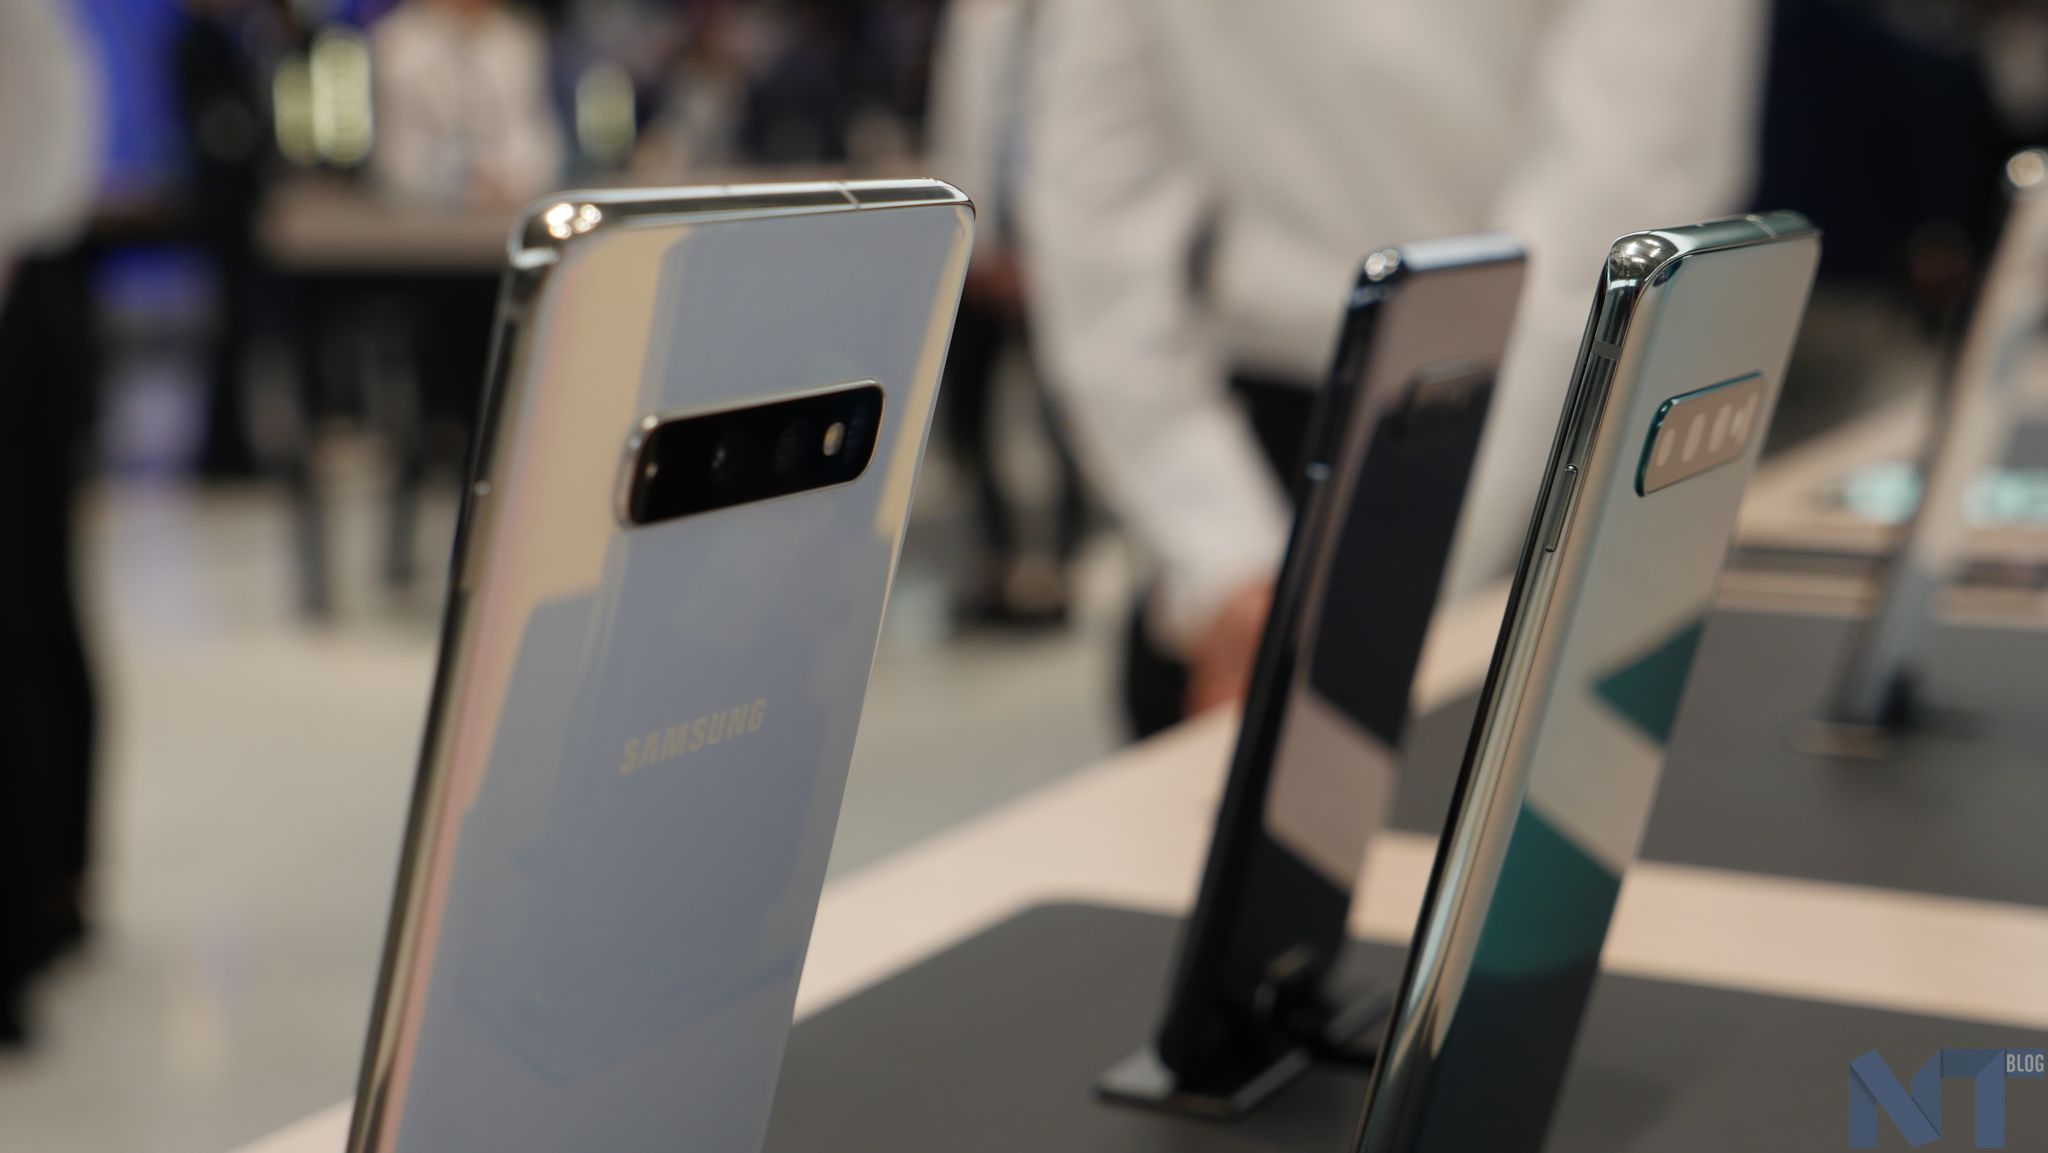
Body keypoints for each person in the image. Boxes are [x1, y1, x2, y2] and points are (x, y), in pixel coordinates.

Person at [1022, 1, 1766, 737]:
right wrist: (1229, 566)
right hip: (1272, 463)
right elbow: (1095, 214)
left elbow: (1609, 232)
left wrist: (1332, 585)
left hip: (1546, 468)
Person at [0, 0, 103, 1046]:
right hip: (33, 294)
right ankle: (54, 892)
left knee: (22, 625)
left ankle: (31, 918)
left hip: (22, 305)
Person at [927, 0, 1087, 628]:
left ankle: (1063, 570)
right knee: (966, 420)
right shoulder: (974, 20)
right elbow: (959, 127)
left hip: (1055, 256)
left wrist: (1038, 248)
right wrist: (972, 235)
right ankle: (996, 563)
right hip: (976, 248)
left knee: (1066, 419)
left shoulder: (1082, 20)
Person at [370, 0, 564, 206]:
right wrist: (463, 184)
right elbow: (397, 149)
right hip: (418, 210)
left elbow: (534, 134)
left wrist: (512, 179)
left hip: (506, 205)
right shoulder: (395, 41)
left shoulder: (518, 40)